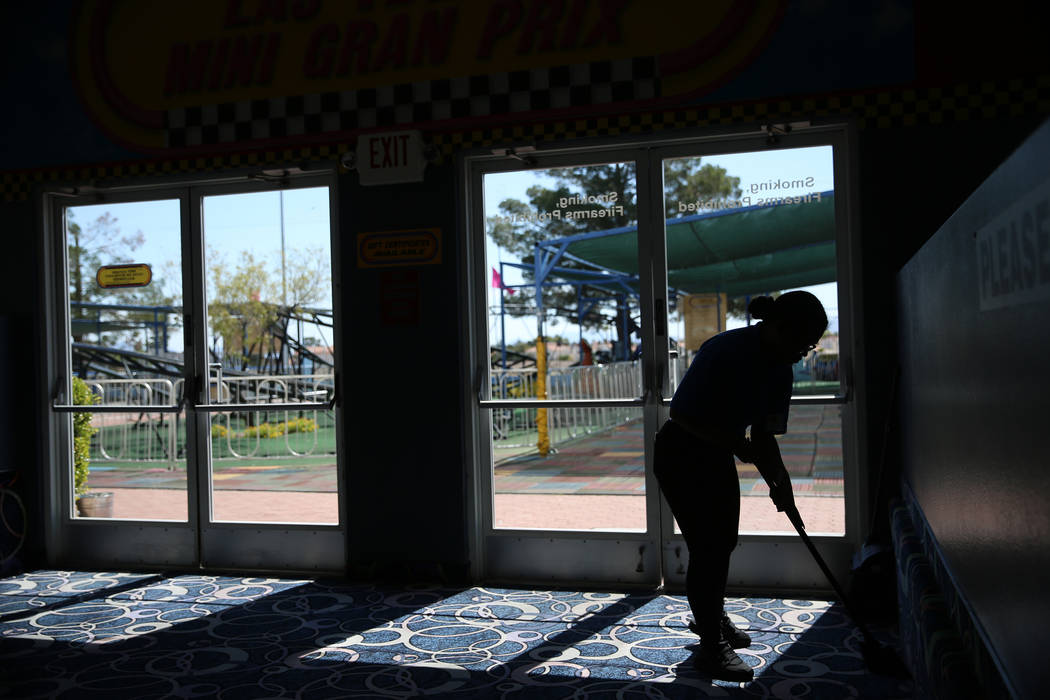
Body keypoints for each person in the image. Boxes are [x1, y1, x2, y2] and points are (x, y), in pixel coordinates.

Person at [654, 291, 828, 682]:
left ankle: (710, 617)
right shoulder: (725, 350)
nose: (805, 352)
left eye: (810, 345)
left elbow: (764, 437)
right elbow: (680, 412)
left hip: (714, 455)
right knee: (708, 548)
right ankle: (711, 646)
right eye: (803, 342)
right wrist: (736, 444)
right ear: (779, 328)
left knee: (722, 543)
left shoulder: (781, 370)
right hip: (680, 453)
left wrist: (781, 485)